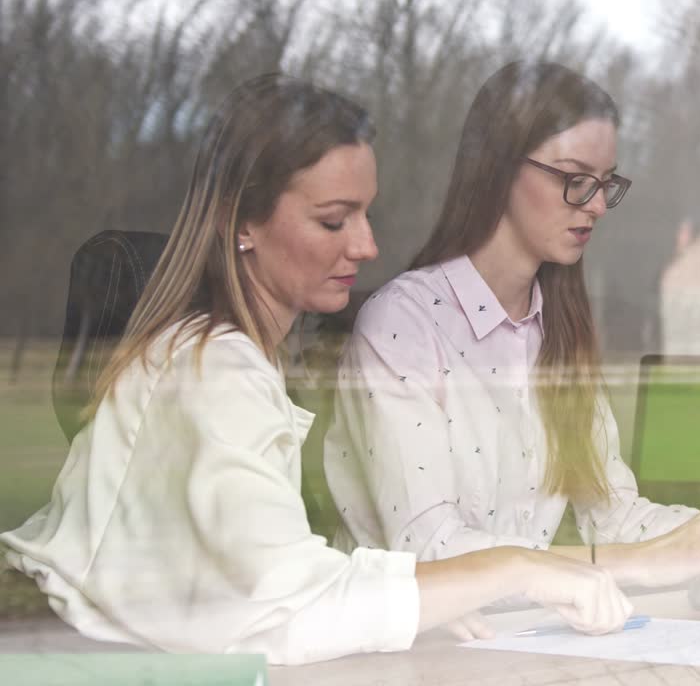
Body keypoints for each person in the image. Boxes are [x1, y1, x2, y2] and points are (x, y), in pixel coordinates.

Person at [0, 74, 632, 665]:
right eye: (334, 220)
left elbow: (279, 570)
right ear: (242, 222)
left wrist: (428, 596)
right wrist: (511, 569)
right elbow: (285, 607)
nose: (366, 246)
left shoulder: (234, 359)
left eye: (365, 214)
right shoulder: (208, 371)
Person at [324, 61, 700, 589]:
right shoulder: (404, 324)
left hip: (513, 643)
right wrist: (626, 566)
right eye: (575, 178)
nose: (597, 205)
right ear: (498, 169)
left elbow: (616, 516)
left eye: (606, 183)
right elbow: (430, 551)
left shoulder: (557, 331)